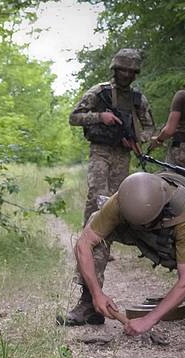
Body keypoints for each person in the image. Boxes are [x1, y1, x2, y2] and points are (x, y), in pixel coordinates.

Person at [62, 171, 185, 331]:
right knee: (95, 224)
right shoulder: (121, 200)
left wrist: (149, 320)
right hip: (144, 233)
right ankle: (88, 305)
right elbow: (84, 244)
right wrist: (96, 294)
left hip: (184, 235)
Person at [68, 48, 156, 225]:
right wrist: (101, 117)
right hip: (100, 151)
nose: (127, 74)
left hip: (122, 155)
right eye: (123, 70)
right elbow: (74, 117)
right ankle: (89, 246)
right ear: (115, 69)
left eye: (131, 72)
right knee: (97, 196)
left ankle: (103, 247)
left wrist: (137, 140)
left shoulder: (137, 98)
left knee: (116, 203)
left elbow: (150, 127)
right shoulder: (100, 92)